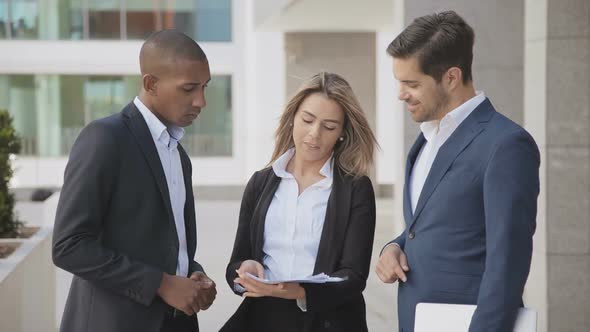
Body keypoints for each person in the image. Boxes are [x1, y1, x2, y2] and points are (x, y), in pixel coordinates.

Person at [375, 11, 540, 332]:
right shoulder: (425, 140)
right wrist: (395, 246)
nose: (401, 94)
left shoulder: (506, 144)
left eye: (411, 83)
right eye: (399, 82)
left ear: (451, 77)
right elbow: (432, 225)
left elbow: (508, 261)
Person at [52, 29, 216, 332]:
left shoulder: (178, 154)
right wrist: (161, 284)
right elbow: (69, 245)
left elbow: (168, 242)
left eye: (205, 87)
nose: (201, 101)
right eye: (189, 88)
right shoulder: (105, 138)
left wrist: (193, 275)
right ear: (150, 84)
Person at [221, 72, 378, 332]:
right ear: (292, 118)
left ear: (341, 133)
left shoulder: (356, 188)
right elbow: (237, 262)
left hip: (327, 321)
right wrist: (244, 270)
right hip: (263, 319)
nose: (314, 134)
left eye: (329, 127)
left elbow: (354, 276)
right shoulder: (260, 183)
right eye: (307, 120)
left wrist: (299, 291)